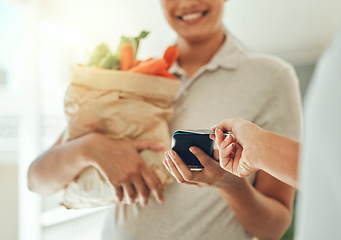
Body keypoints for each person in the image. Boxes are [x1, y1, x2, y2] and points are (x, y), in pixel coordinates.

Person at [28, 0, 302, 239]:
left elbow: (273, 228)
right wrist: (88, 148)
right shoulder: (132, 74)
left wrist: (227, 183)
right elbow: (36, 180)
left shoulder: (272, 77)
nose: (187, 2)